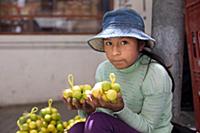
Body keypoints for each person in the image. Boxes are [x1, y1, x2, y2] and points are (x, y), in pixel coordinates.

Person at [63, 8, 174, 133]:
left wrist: (120, 109)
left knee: (99, 121)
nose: (115, 52)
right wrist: (89, 108)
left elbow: (147, 128)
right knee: (76, 129)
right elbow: (102, 117)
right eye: (109, 43)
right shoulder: (104, 69)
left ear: (141, 45)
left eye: (124, 42)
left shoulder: (155, 73)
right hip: (119, 127)